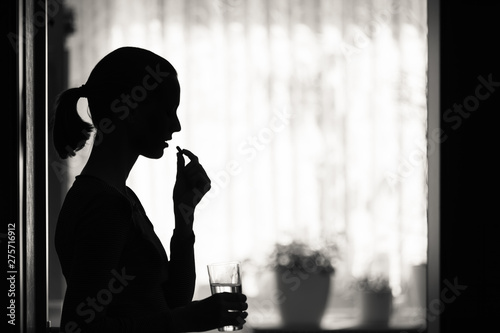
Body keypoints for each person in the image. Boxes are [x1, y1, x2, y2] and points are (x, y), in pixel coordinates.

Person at [53, 47, 248, 333]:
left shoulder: (121, 197)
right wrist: (186, 320)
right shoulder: (104, 205)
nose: (176, 125)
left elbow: (171, 300)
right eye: (168, 111)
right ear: (131, 109)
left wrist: (184, 216)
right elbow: (81, 327)